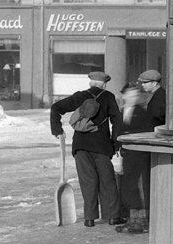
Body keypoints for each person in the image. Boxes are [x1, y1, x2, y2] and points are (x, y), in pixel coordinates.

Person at [50, 71, 123, 227]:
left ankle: (89, 218)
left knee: (87, 181)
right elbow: (117, 121)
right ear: (104, 84)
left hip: (81, 146)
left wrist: (57, 129)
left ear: (91, 83)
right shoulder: (108, 97)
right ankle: (112, 216)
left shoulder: (80, 96)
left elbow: (56, 107)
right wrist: (115, 143)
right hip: (101, 145)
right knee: (107, 181)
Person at [115, 68, 164, 234]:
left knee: (137, 186)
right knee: (130, 185)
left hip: (139, 152)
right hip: (128, 152)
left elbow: (153, 124)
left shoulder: (145, 109)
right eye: (130, 93)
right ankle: (134, 219)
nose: (141, 88)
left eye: (144, 83)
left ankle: (139, 220)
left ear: (153, 83)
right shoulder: (122, 111)